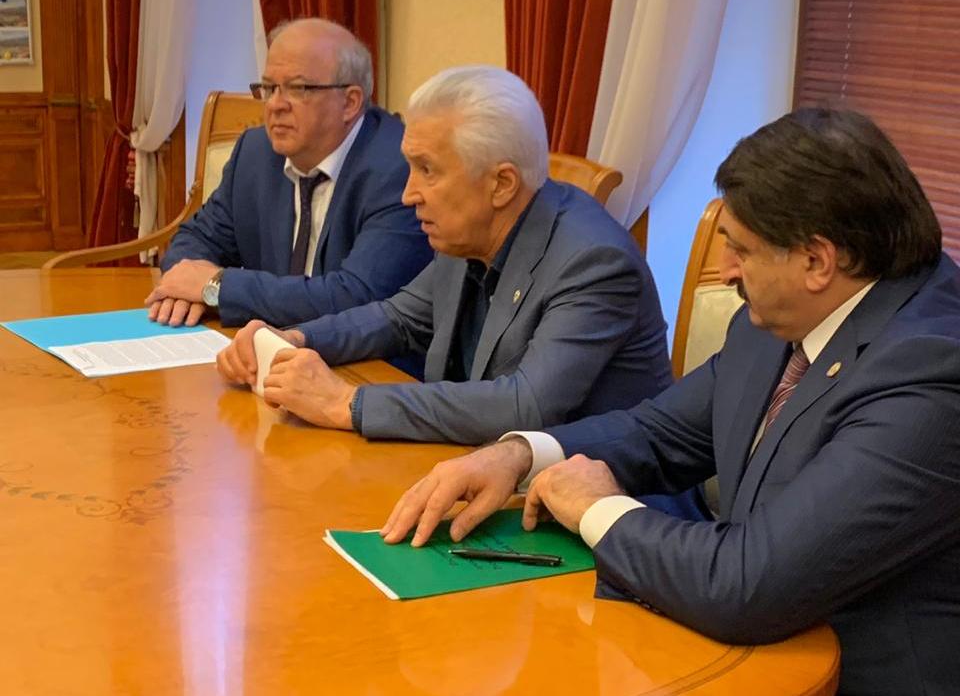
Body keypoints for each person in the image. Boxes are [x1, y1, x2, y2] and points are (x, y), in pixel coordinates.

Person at [380, 108, 960, 696]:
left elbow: (749, 585)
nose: (725, 273)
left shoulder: (931, 373)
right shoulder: (780, 319)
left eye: (743, 251)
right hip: (746, 644)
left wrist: (597, 509)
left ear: (816, 261)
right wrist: (519, 456)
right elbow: (661, 433)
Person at [216, 65, 680, 449]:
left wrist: (347, 403)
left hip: (605, 508)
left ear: (501, 184)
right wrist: (293, 340)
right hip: (482, 475)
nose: (408, 194)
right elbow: (398, 319)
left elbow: (526, 405)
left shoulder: (594, 262)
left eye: (427, 171)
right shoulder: (470, 233)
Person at [145, 18, 432, 328]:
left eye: (298, 89)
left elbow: (357, 297)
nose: (275, 105)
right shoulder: (255, 153)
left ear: (350, 103)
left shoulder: (398, 168)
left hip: (361, 353)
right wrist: (188, 288)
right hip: (264, 341)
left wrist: (217, 288)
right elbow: (194, 241)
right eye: (269, 88)